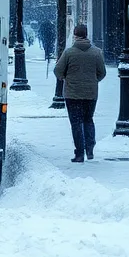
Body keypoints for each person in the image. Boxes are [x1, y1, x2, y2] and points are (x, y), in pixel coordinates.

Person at [53, 23, 107, 163]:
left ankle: (79, 153)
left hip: (72, 93)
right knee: (88, 119)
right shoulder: (96, 52)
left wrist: (66, 77)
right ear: (86, 35)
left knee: (76, 123)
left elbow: (58, 71)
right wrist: (92, 81)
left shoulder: (69, 52)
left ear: (75, 36)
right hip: (91, 93)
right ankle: (90, 148)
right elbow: (102, 73)